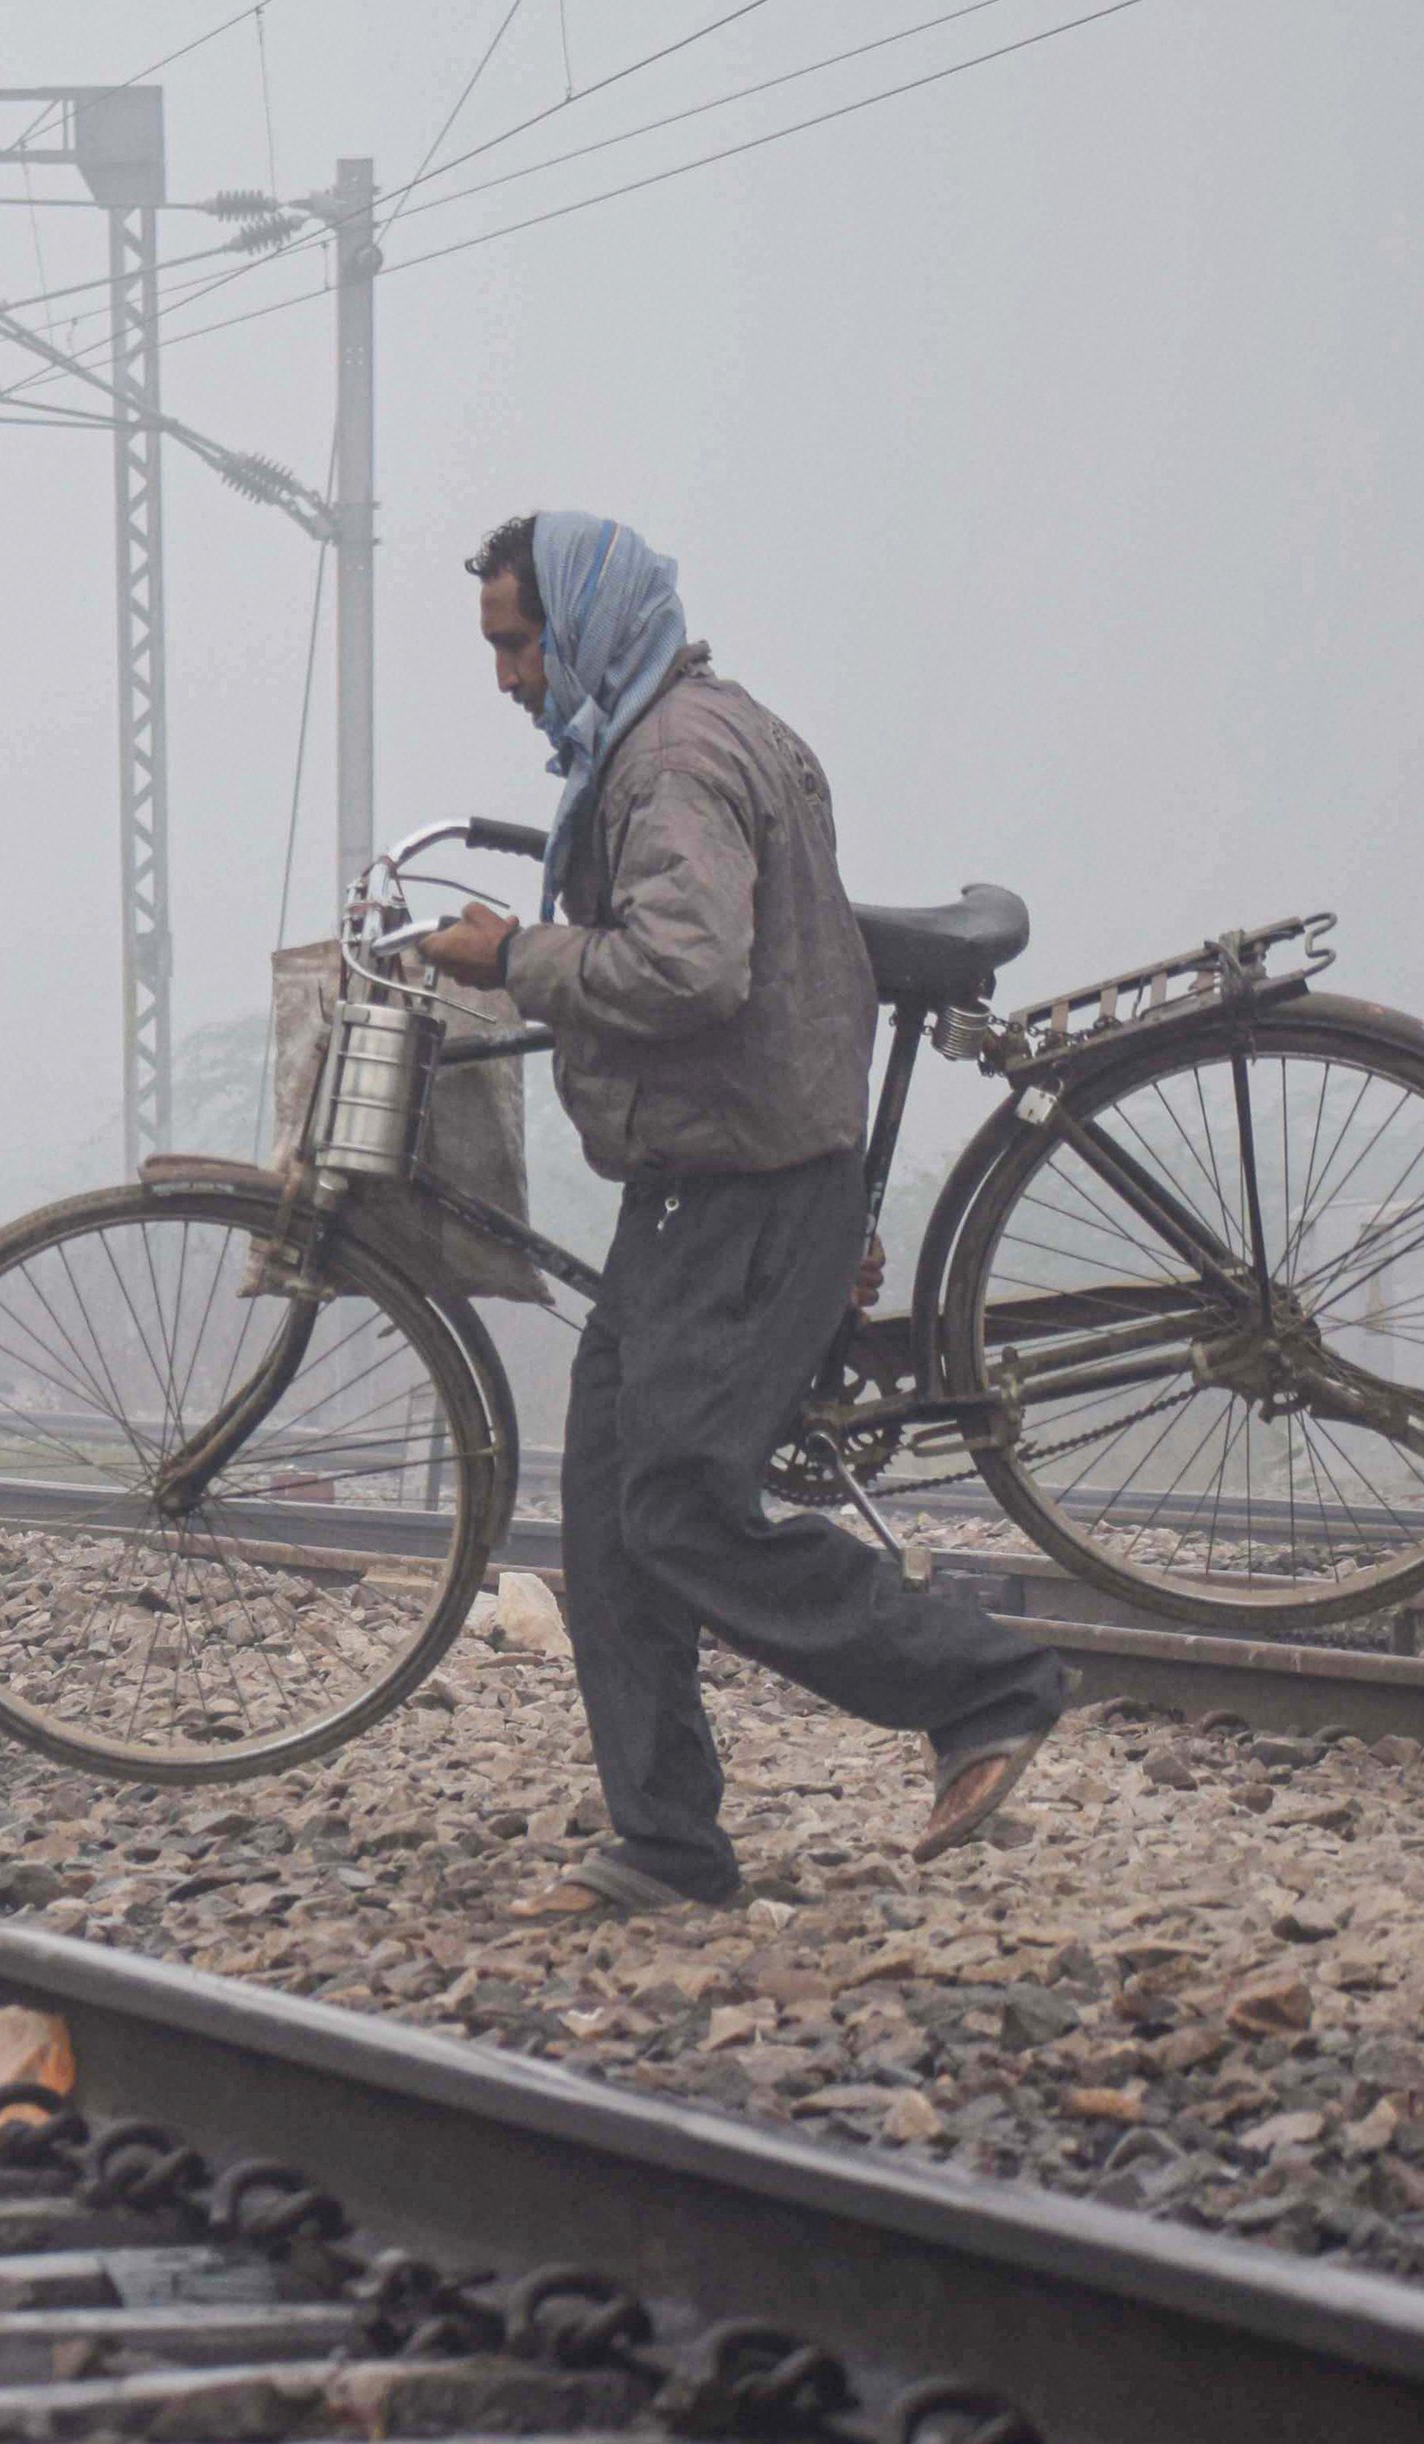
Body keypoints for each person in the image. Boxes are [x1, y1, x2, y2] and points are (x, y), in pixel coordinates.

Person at [410, 510, 1065, 1917]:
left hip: (746, 1186)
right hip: (703, 1175)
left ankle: (983, 1683)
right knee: (608, 1515)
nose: (509, 677)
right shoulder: (692, 729)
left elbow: (690, 967)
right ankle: (667, 1842)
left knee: (678, 1508)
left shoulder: (675, 761)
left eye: (520, 644)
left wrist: (516, 955)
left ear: (584, 627)